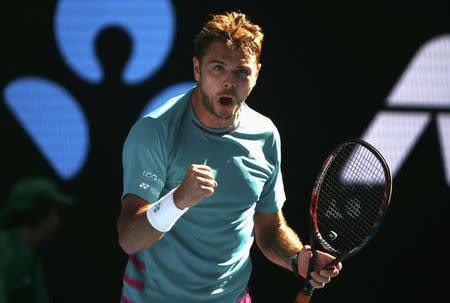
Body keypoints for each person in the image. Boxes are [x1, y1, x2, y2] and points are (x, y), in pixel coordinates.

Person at [117, 11, 342, 303]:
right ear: (197, 69)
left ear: (257, 73)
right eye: (217, 68)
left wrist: (297, 258)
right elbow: (129, 239)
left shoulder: (265, 135)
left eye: (241, 72)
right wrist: (177, 200)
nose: (229, 82)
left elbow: (270, 228)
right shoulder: (155, 131)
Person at [0, 176, 75, 303]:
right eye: (54, 214)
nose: (57, 223)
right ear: (38, 212)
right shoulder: (3, 249)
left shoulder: (33, 257)